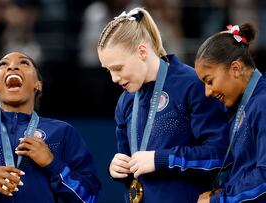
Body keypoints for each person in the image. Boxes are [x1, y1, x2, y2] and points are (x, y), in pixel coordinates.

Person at [97, 7, 230, 203]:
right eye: (108, 70)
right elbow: (131, 160)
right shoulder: (125, 100)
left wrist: (161, 159)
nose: (114, 78)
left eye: (118, 68)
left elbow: (220, 155)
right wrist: (119, 168)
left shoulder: (192, 84)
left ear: (142, 51)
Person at [0, 51, 101, 203]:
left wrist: (52, 164)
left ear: (38, 85)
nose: (12, 66)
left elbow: (88, 197)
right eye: (3, 64)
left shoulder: (62, 132)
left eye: (24, 63)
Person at [195, 24, 266, 203]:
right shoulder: (244, 104)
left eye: (209, 81)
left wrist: (219, 199)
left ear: (235, 68)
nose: (207, 92)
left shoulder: (262, 102)